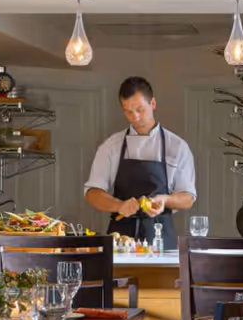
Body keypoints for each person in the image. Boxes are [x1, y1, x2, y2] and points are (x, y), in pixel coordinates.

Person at [84, 76, 196, 250]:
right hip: (120, 241)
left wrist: (165, 200)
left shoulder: (178, 147)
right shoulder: (111, 146)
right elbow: (92, 193)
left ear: (153, 104)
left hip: (161, 238)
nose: (134, 117)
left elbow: (188, 198)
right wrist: (119, 206)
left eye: (139, 109)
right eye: (128, 111)